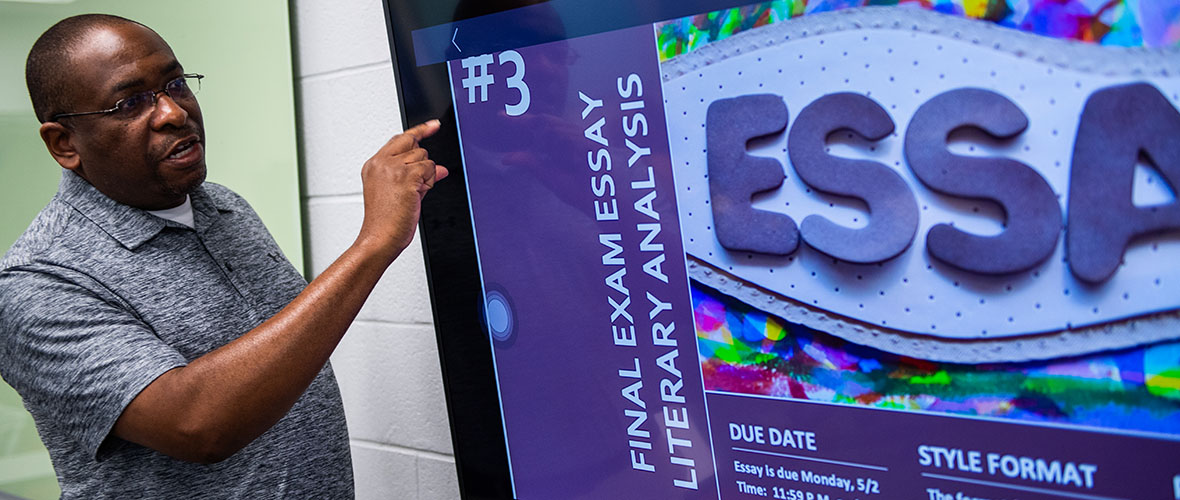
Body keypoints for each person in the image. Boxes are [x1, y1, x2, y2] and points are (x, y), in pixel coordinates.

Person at [0, 14, 446, 498]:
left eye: (175, 83)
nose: (173, 112)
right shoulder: (36, 285)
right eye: (131, 102)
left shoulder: (226, 207)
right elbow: (198, 425)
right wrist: (374, 243)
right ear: (64, 144)